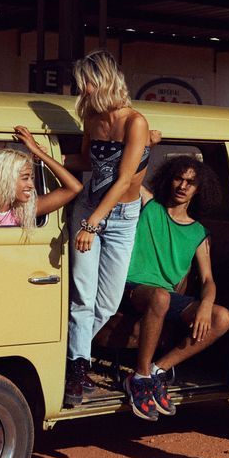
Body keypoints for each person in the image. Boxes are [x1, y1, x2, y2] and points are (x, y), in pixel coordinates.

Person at [64, 50, 151, 407]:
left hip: (119, 217)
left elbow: (125, 179)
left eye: (85, 82)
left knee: (108, 301)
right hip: (89, 207)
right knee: (83, 297)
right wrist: (43, 154)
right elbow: (87, 161)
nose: (81, 89)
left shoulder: (136, 122)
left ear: (101, 81)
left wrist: (91, 224)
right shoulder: (91, 116)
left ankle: (70, 357)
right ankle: (76, 369)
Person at [120, 156, 229, 421]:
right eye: (178, 179)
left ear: (198, 188)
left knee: (222, 318)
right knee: (160, 297)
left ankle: (157, 371)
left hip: (164, 297)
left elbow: (208, 279)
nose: (183, 186)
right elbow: (131, 172)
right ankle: (139, 378)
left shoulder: (199, 233)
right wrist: (147, 143)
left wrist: (205, 306)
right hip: (131, 287)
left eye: (190, 182)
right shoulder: (151, 206)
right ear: (169, 179)